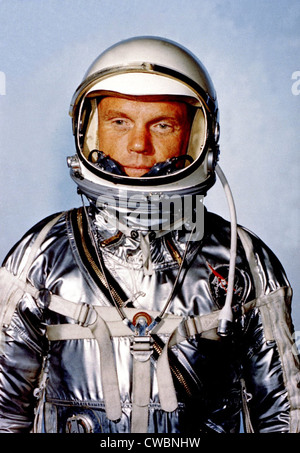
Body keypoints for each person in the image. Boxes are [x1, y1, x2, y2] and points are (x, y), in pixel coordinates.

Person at [0, 36, 299, 434]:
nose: (138, 146)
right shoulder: (41, 255)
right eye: (119, 122)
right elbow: (4, 413)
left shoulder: (241, 260)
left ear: (197, 139)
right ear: (91, 131)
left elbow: (285, 416)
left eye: (161, 125)